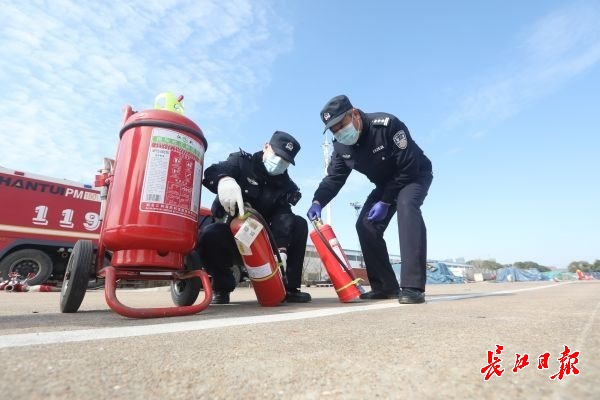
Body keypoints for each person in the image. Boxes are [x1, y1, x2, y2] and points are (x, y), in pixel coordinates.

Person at [307, 95, 433, 304]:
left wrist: (385, 202)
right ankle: (384, 286)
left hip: (414, 175)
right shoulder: (341, 147)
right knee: (365, 224)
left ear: (354, 113)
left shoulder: (387, 125)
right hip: (385, 184)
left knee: (406, 206)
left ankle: (413, 286)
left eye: (341, 125)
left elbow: (408, 168)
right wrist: (317, 201)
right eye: (334, 129)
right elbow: (334, 178)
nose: (339, 132)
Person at [198, 131, 311, 304]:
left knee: (299, 224)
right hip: (232, 234)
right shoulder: (242, 163)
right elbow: (213, 171)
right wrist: (224, 180)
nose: (280, 163)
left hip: (263, 240)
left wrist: (281, 249)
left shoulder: (285, 185)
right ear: (266, 147)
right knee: (210, 233)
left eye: (286, 161)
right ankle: (221, 288)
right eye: (277, 156)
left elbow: (284, 215)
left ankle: (289, 287)